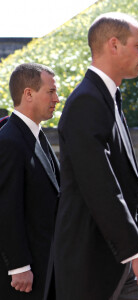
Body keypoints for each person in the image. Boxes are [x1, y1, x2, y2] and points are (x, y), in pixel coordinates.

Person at [49, 12, 138, 300]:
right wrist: (137, 253)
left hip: (115, 262)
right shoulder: (87, 101)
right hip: (91, 264)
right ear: (114, 45)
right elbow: (100, 186)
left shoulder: (107, 98)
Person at [0, 63, 60, 299]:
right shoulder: (9, 141)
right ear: (28, 94)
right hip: (22, 278)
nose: (57, 98)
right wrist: (19, 266)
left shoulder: (36, 134)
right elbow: (6, 208)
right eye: (51, 91)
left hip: (46, 265)